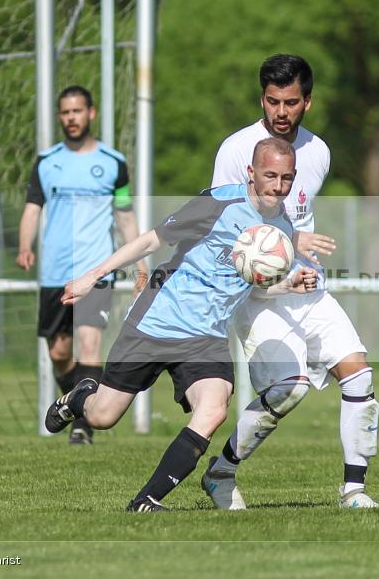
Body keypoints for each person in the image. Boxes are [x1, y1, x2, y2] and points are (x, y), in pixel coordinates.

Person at [44, 138, 318, 512]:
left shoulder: (281, 227)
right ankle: (79, 397)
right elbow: (152, 239)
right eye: (270, 175)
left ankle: (146, 500)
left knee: (214, 407)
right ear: (251, 173)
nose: (278, 186)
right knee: (102, 416)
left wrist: (287, 284)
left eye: (287, 178)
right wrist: (93, 275)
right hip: (157, 320)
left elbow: (254, 285)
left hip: (205, 338)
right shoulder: (218, 202)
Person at [200, 54, 379, 509]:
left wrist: (298, 248)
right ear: (262, 98)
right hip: (257, 292)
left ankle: (354, 491)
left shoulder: (318, 152)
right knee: (290, 388)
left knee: (358, 372)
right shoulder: (236, 150)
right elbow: (222, 224)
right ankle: (221, 473)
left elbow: (295, 210)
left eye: (291, 102)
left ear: (308, 103)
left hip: (308, 286)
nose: (281, 112)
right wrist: (288, 239)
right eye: (273, 101)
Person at [16, 85, 148, 445]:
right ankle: (75, 401)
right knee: (59, 353)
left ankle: (82, 427)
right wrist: (24, 245)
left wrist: (139, 262)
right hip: (54, 272)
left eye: (77, 111)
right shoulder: (47, 162)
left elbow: (124, 214)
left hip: (95, 271)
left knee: (89, 347)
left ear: (90, 114)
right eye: (65, 112)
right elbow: (32, 208)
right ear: (60, 117)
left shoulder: (112, 162)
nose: (71, 118)